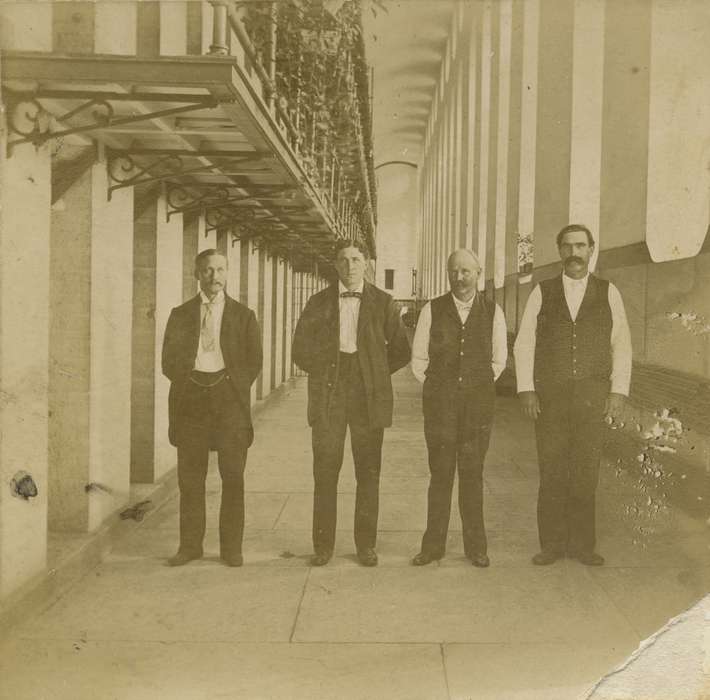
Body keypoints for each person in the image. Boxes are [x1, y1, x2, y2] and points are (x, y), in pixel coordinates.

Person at [514, 224, 632, 566]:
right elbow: (525, 343)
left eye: (580, 246)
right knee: (552, 470)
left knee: (585, 471)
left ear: (591, 249)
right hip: (550, 398)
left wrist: (618, 392)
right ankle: (551, 545)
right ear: (559, 251)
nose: (574, 253)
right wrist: (526, 390)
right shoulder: (542, 291)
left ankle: (582, 546)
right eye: (567, 246)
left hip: (591, 398)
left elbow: (621, 346)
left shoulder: (609, 292)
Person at [292, 239, 411, 567]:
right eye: (343, 260)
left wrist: (372, 372)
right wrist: (327, 368)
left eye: (356, 259)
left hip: (367, 396)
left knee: (368, 472)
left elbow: (402, 350)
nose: (349, 266)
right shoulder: (317, 303)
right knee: (325, 471)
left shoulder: (385, 303)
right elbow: (299, 348)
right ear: (335, 264)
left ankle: (365, 546)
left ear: (367, 262)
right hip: (329, 392)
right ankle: (323, 547)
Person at [161, 249, 262, 567]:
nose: (214, 276)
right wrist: (188, 379)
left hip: (228, 401)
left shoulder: (244, 315)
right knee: (191, 479)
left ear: (228, 274)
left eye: (219, 270)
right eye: (207, 270)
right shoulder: (180, 314)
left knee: (233, 477)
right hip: (191, 401)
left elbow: (254, 361)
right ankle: (190, 546)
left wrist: (231, 385)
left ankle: (231, 548)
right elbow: (168, 361)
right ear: (197, 274)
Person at [410, 249, 507, 567]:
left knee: (472, 474)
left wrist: (474, 386)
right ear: (447, 273)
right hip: (440, 406)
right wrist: (439, 389)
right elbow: (419, 358)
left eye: (466, 271)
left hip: (477, 407)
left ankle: (476, 547)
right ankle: (433, 546)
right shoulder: (432, 310)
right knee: (440, 475)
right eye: (454, 271)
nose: (459, 277)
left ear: (479, 274)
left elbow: (499, 359)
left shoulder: (493, 312)